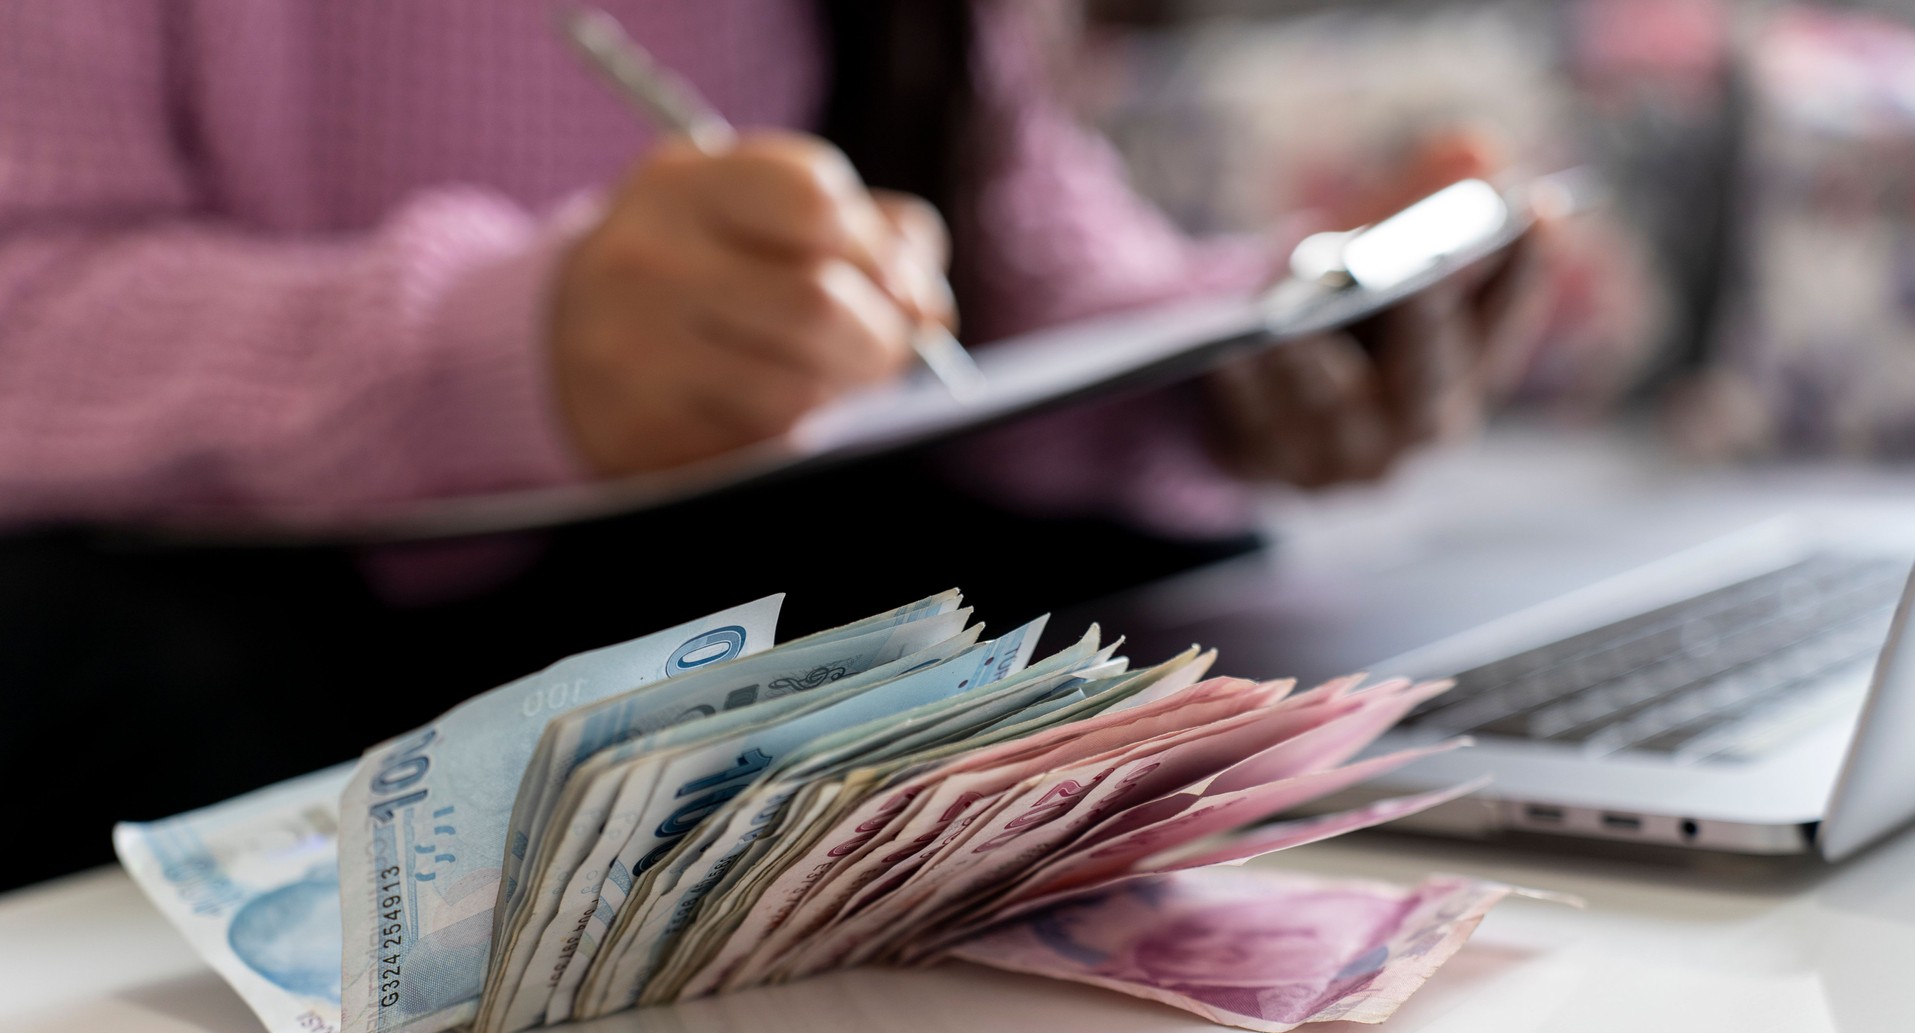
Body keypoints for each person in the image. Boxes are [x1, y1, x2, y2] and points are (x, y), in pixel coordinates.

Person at [0, 1, 1544, 892]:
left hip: (746, 566)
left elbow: (1014, 261)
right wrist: (496, 350)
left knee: (1179, 590)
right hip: (278, 630)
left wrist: (1250, 346)